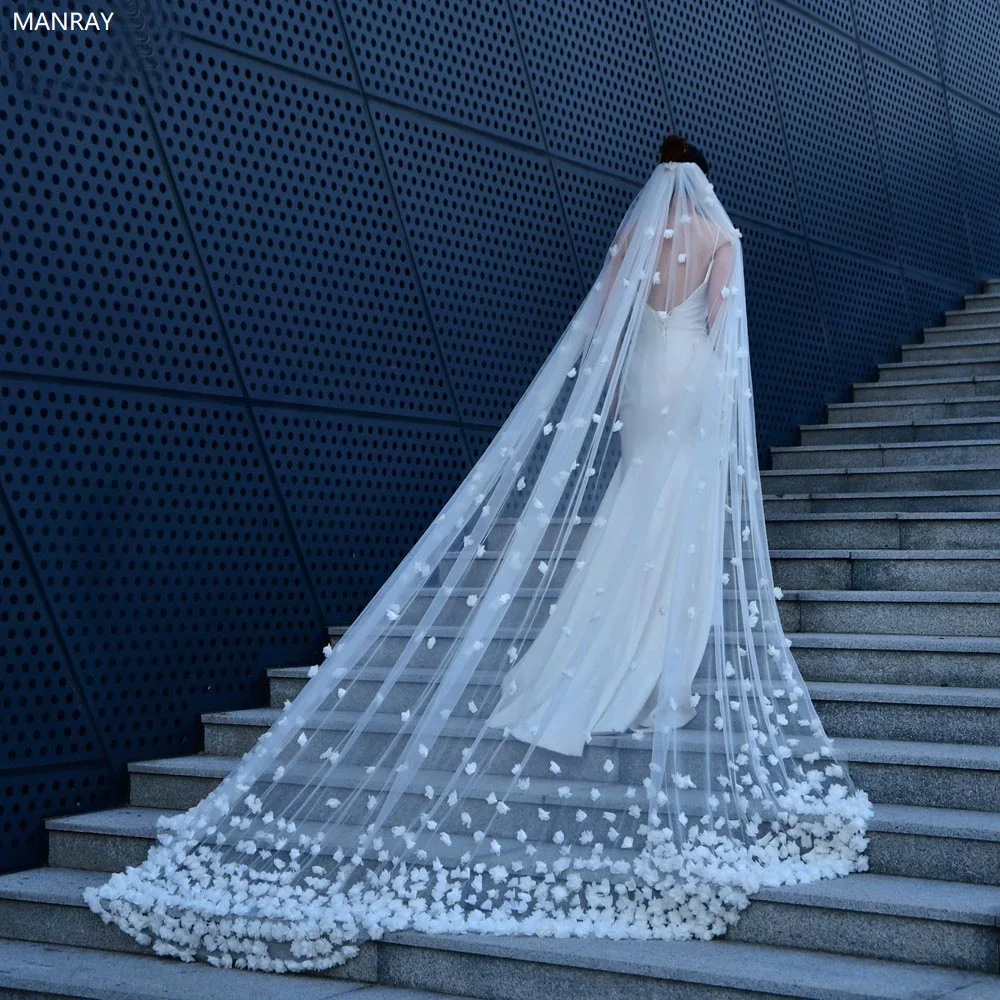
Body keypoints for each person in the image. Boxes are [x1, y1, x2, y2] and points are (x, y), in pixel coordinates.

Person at [85, 135, 872, 974]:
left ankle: (585, 656)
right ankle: (653, 672)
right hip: (690, 378)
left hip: (645, 373)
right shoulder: (721, 241)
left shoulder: (639, 239)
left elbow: (607, 318)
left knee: (632, 503)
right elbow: (722, 331)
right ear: (705, 184)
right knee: (671, 522)